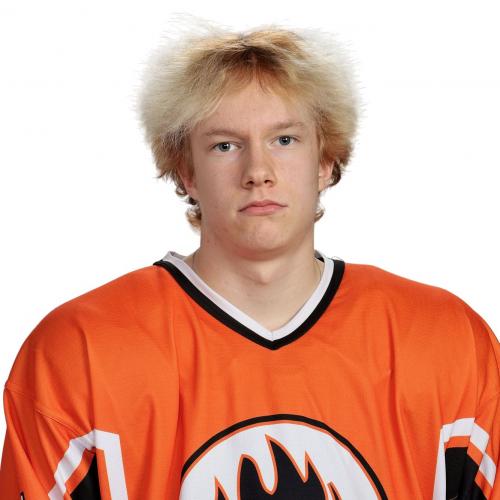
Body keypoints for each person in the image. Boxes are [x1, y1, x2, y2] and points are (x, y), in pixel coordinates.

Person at [0, 17, 498, 499]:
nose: (258, 171)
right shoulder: (79, 350)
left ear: (326, 161)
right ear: (187, 173)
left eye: (284, 140)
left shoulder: (444, 339)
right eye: (225, 145)